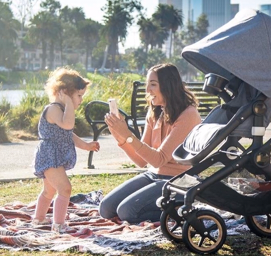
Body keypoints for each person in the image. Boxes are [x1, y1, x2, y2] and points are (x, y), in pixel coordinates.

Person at [99, 63, 201, 223]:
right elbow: (141, 161)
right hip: (153, 175)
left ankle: (181, 212)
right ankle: (167, 208)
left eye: (153, 84)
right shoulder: (156, 112)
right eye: (147, 85)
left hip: (178, 181)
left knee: (126, 211)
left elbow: (158, 159)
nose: (148, 90)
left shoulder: (188, 115)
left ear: (168, 85)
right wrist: (120, 136)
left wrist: (127, 134)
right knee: (106, 208)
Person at [32, 67, 100, 233]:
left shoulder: (63, 111)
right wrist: (69, 103)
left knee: (49, 190)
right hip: (50, 156)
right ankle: (59, 224)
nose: (81, 100)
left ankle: (38, 219)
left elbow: (68, 133)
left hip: (53, 156)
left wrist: (85, 145)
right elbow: (68, 125)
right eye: (78, 95)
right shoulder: (54, 109)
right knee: (65, 189)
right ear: (64, 92)